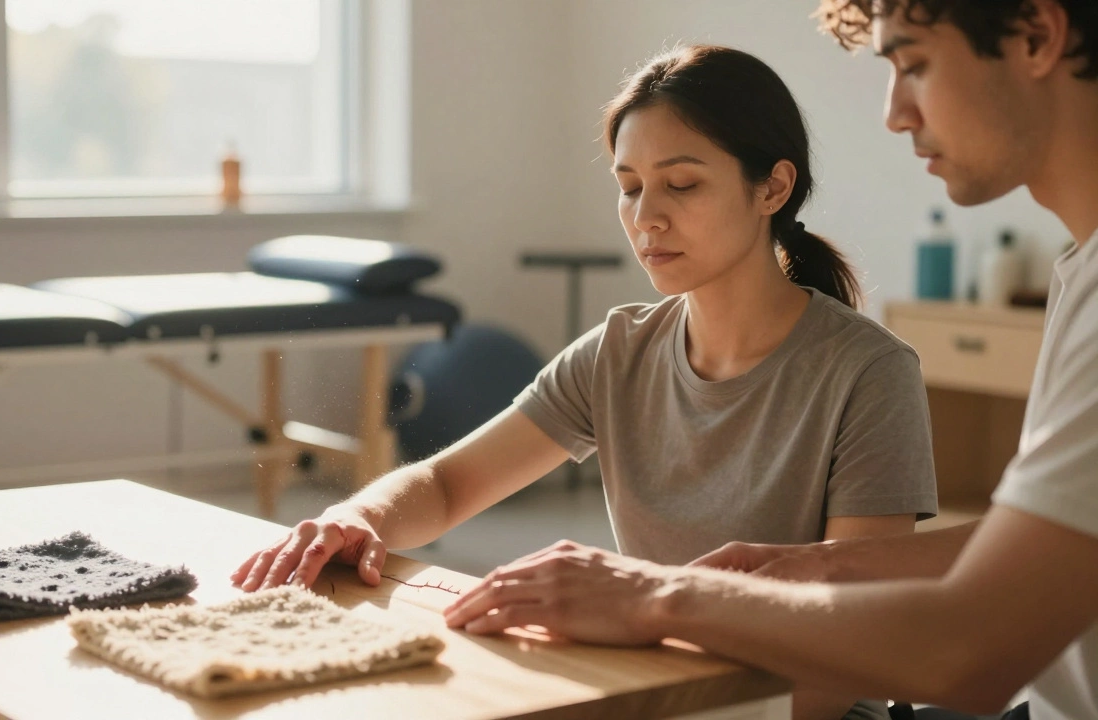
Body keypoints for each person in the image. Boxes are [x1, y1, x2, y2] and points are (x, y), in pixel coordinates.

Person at [235, 44, 939, 720]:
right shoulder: (619, 351)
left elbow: (843, 657)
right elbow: (448, 485)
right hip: (646, 683)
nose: (646, 217)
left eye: (682, 184)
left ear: (773, 187)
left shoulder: (869, 374)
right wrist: (361, 518)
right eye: (629, 188)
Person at [442, 3, 1098, 720]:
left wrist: (654, 596)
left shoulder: (870, 366)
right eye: (629, 186)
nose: (893, 113)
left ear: (1036, 35)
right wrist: (811, 566)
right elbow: (1041, 549)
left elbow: (967, 652)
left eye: (913, 63)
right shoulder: (1080, 279)